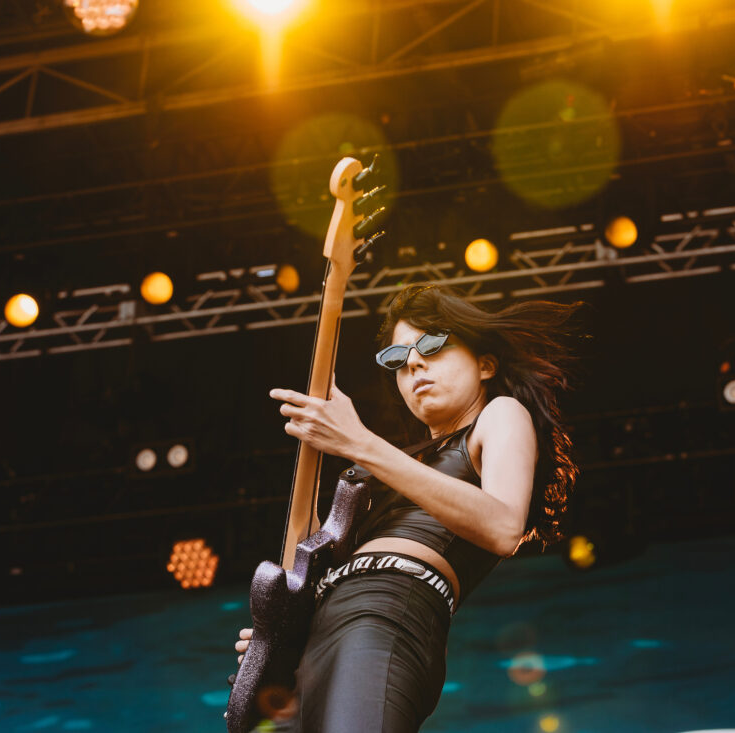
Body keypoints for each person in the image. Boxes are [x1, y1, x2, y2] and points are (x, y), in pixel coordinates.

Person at [234, 282, 579, 732]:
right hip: (317, 642)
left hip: (386, 615)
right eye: (397, 360)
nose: (414, 363)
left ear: (486, 364)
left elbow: (502, 525)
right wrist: (276, 635)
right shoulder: (398, 471)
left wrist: (358, 441)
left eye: (432, 345)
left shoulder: (500, 414)